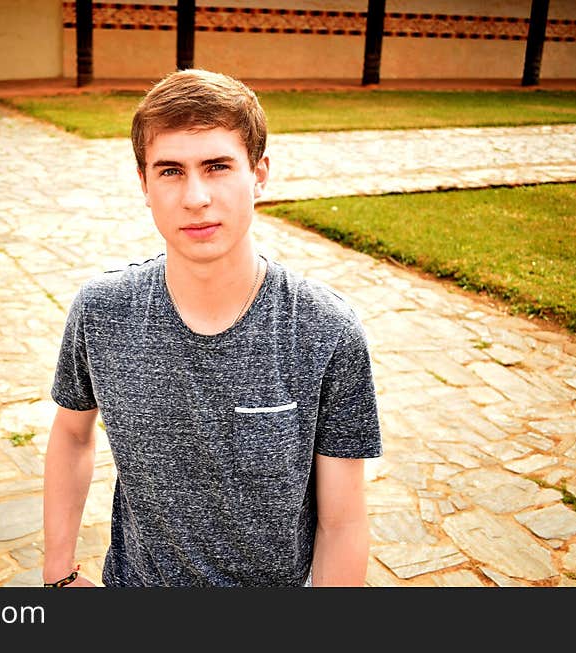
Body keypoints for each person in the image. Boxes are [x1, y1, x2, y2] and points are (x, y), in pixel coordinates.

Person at [42, 68, 382, 587]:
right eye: (171, 171)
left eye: (218, 166)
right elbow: (71, 435)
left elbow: (342, 522)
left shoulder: (325, 331)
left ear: (259, 174)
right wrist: (58, 573)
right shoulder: (101, 311)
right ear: (144, 184)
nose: (195, 197)